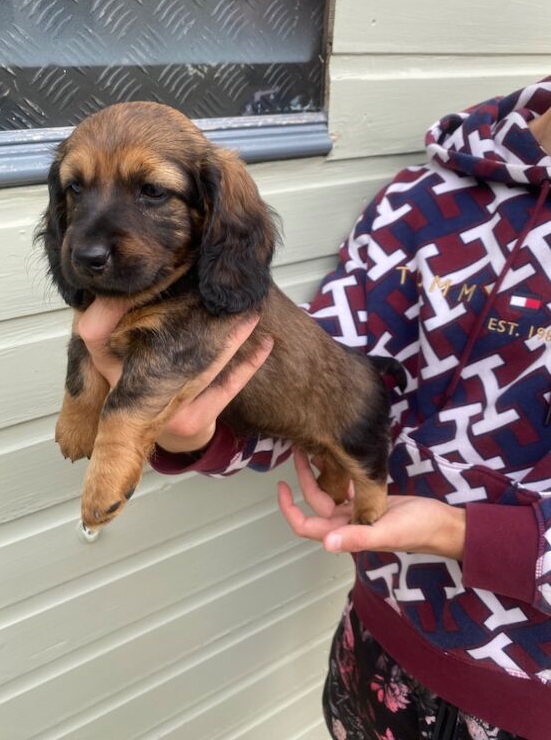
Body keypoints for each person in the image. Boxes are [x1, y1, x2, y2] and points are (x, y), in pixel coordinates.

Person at [76, 78, 551, 740]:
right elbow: (313, 379)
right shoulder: (422, 202)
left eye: (151, 190)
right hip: (376, 652)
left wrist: (462, 532)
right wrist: (194, 433)